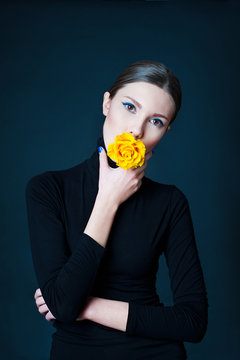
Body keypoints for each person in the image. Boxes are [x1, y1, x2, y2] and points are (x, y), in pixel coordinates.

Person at [25, 60, 209, 360]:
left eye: (156, 121)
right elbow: (61, 305)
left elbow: (193, 322)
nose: (136, 130)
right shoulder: (47, 190)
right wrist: (108, 199)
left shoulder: (170, 203)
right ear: (107, 103)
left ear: (164, 133)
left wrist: (84, 306)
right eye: (130, 107)